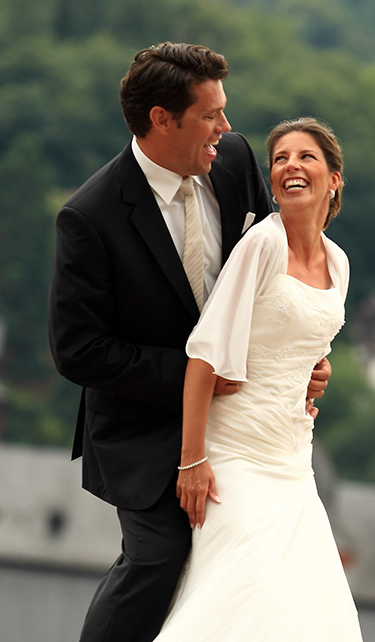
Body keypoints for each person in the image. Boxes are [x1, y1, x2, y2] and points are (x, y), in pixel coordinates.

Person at [48, 45, 331, 642]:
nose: (226, 128)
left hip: (247, 419)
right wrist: (195, 371)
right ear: (161, 119)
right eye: (210, 115)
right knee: (158, 558)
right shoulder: (90, 216)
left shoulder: (231, 160)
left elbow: (276, 269)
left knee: (263, 552)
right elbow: (77, 350)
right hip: (142, 425)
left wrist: (305, 353)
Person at [154, 116, 363, 642]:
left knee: (311, 605)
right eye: (280, 159)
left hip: (293, 463)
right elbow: (203, 356)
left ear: (334, 178)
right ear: (272, 181)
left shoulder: (339, 264)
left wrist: (318, 371)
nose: (291, 165)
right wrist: (192, 460)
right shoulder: (261, 245)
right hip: (234, 457)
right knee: (246, 591)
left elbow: (304, 344)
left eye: (306, 156)